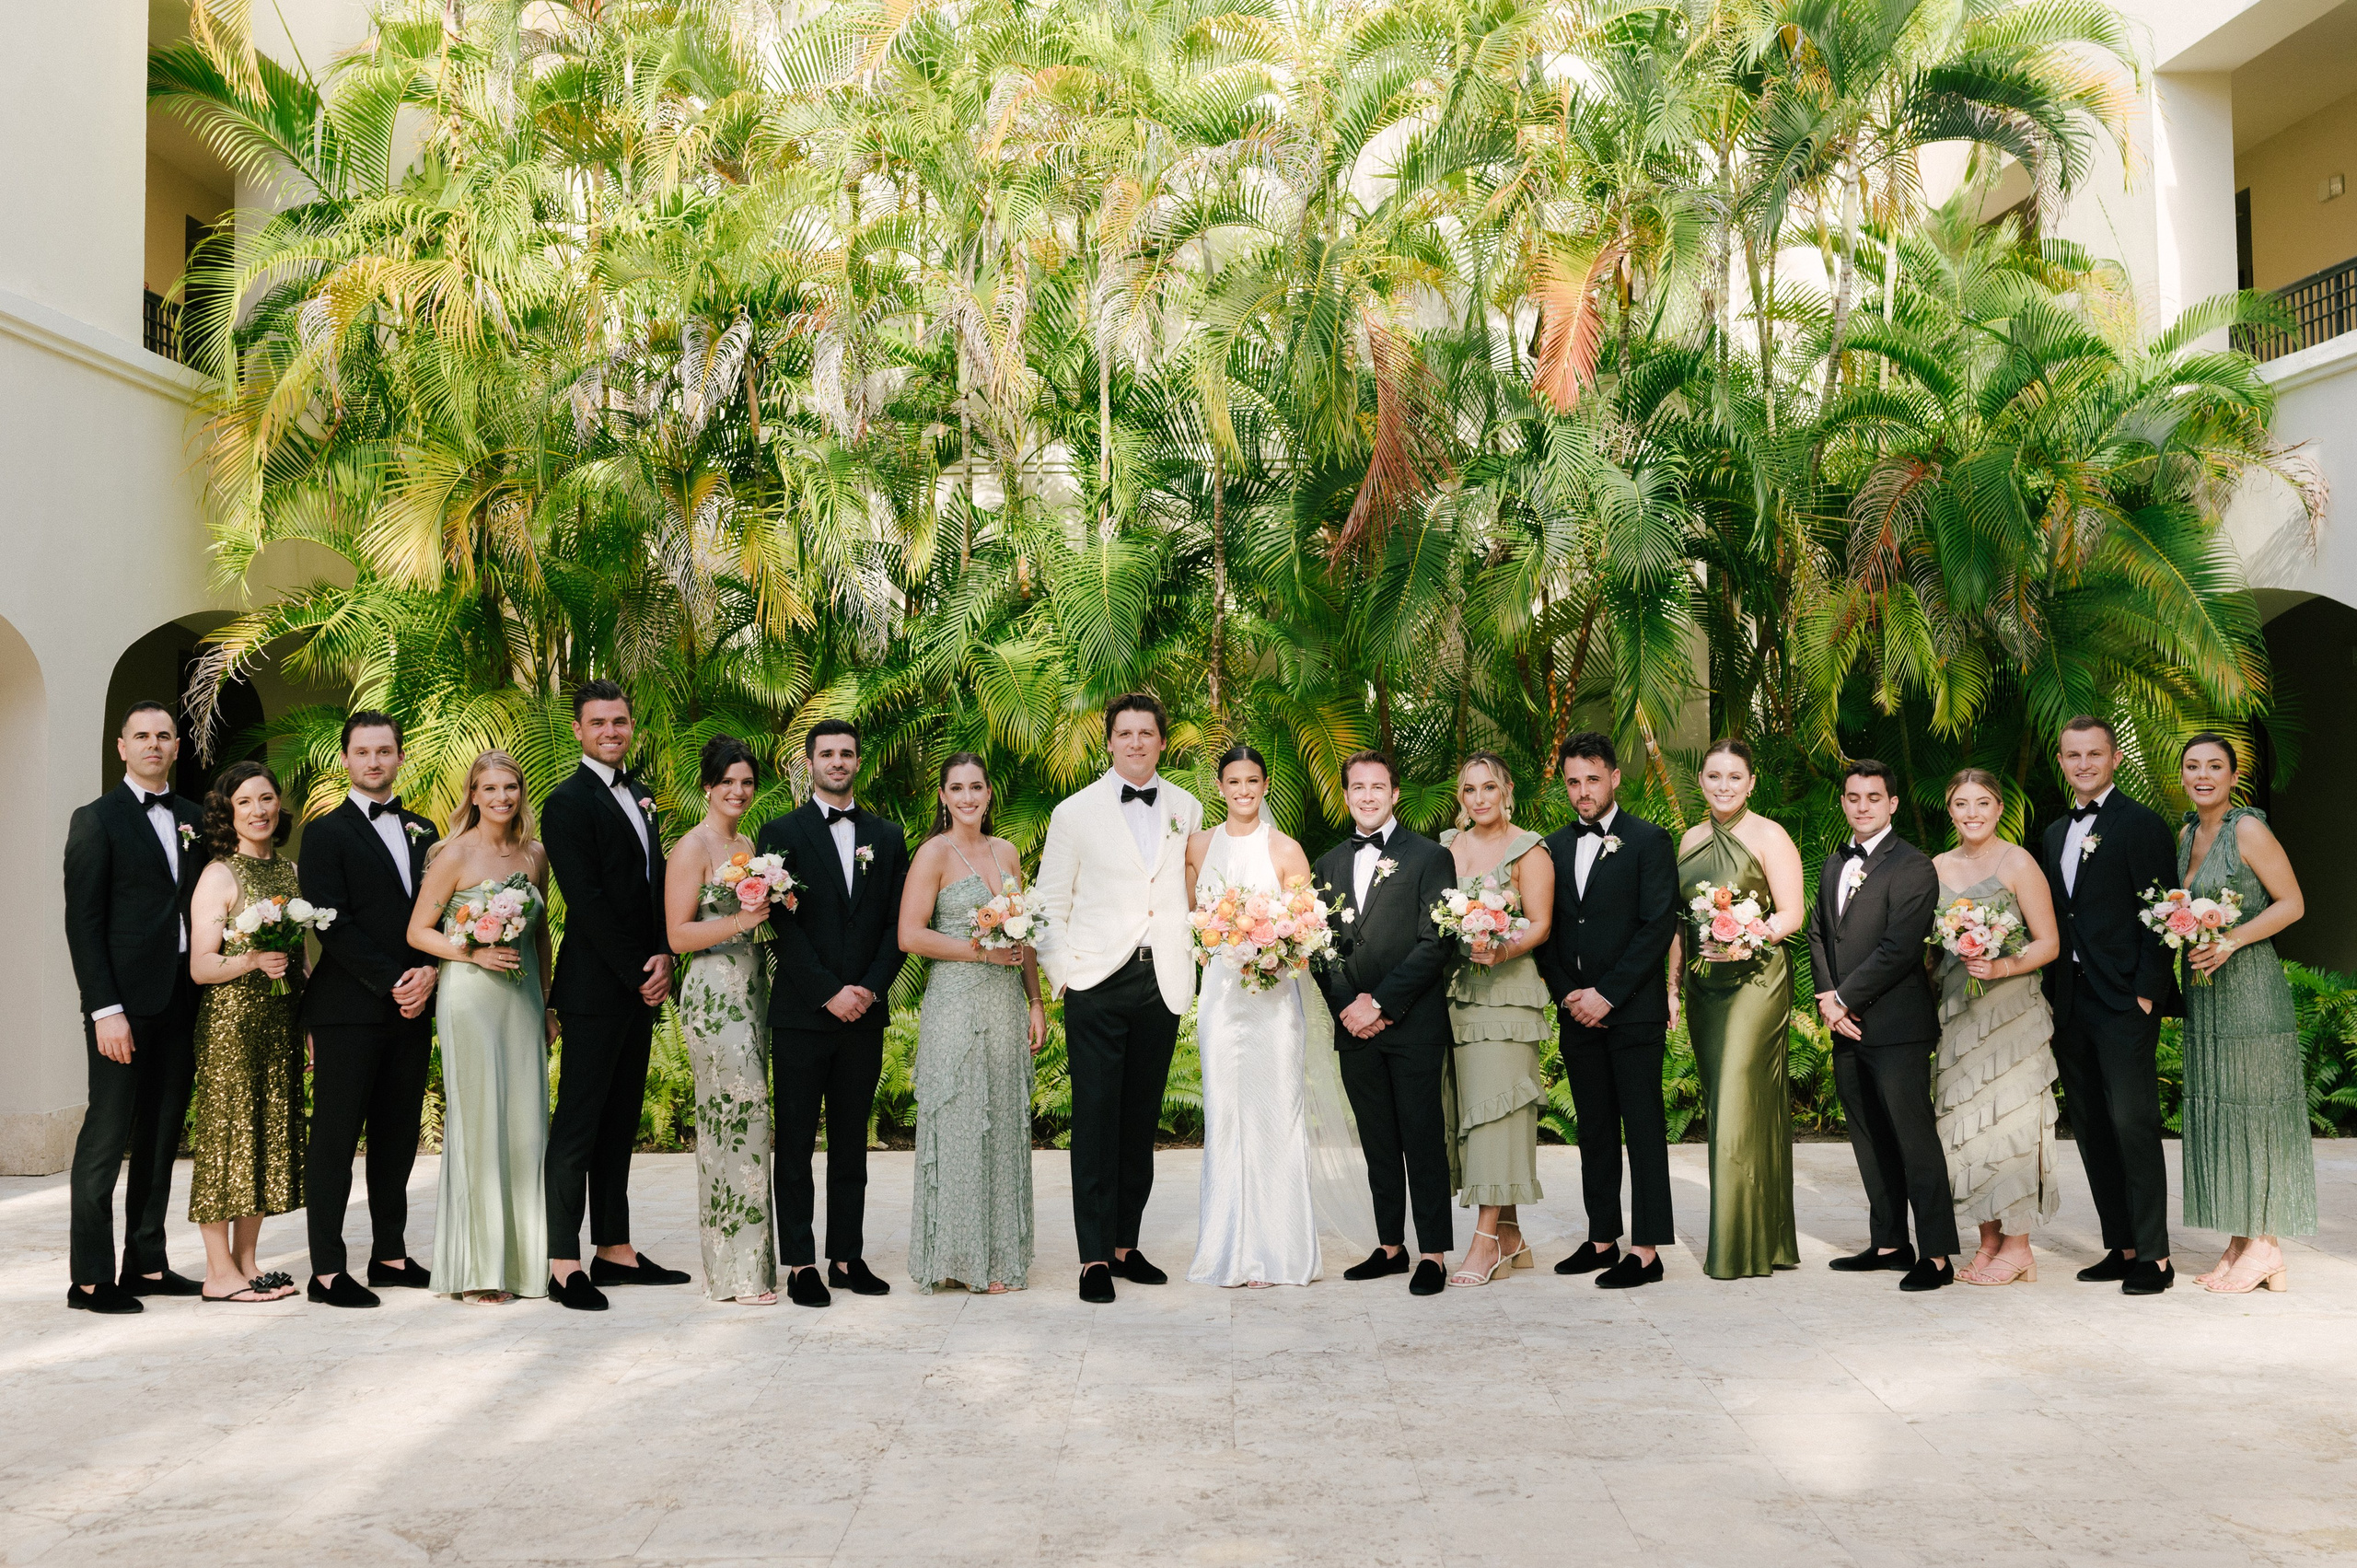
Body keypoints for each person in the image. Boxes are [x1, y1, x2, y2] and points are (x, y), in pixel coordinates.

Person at [1033, 693, 1203, 1304]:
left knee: (1139, 1121)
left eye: (1146, 733)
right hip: (1097, 982)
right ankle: (1093, 1256)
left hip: (1161, 981)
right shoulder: (1073, 812)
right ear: (1109, 742)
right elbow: (1048, 904)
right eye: (1124, 733)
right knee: (1096, 1120)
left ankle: (1126, 1245)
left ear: (1162, 742)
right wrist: (1065, 976)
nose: (1135, 742)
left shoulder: (1187, 807)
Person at [1183, 744, 1371, 1288]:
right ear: (1220, 787)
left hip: (1274, 1003)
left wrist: (1273, 950)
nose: (1243, 790)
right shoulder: (1198, 847)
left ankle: (1279, 1252)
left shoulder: (1287, 850)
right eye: (1233, 781)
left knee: (1276, 1118)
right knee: (1225, 1118)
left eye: (1252, 781)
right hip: (1222, 1002)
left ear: (1265, 786)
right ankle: (1228, 1250)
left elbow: (1308, 935)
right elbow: (1194, 920)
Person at [541, 680, 687, 1310]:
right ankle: (562, 1262)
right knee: (578, 1126)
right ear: (578, 730)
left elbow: (655, 884)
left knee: (621, 1121)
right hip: (596, 988)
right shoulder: (565, 803)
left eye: (619, 721)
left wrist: (665, 953)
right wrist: (637, 969)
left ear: (631, 726)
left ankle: (615, 1249)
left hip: (640, 983)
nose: (610, 731)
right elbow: (587, 900)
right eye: (598, 722)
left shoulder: (643, 794)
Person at [759, 718, 911, 1307]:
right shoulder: (780, 832)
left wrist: (868, 989)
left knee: (852, 1142)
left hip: (864, 1014)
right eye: (827, 754)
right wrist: (828, 991)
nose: (838, 762)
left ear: (858, 761)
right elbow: (779, 922)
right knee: (795, 1144)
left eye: (847, 753)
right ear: (810, 762)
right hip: (803, 1013)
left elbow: (897, 922)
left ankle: (847, 1256)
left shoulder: (887, 835)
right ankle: (801, 1263)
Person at [62, 701, 208, 1313]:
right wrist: (105, 1009)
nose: (153, 744)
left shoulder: (196, 817)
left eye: (164, 735)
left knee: (161, 1135)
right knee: (107, 1135)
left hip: (183, 998)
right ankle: (91, 1279)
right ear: (122, 747)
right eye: (142, 735)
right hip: (122, 1007)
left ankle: (147, 1263)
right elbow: (83, 923)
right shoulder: (96, 819)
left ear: (176, 746)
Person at [299, 712, 441, 1308]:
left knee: (397, 1134)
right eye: (363, 752)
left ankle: (390, 1254)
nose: (374, 761)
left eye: (385, 750)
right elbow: (331, 922)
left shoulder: (425, 830)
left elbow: (442, 910)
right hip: (347, 1009)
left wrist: (429, 972)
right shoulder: (324, 834)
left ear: (401, 756)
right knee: (335, 1138)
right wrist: (395, 980)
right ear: (346, 759)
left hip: (413, 1008)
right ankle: (327, 1270)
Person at [406, 750, 554, 1303]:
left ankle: (525, 1266)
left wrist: (548, 1004)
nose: (501, 798)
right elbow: (419, 931)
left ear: (521, 793)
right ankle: (479, 1270)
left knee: (527, 1127)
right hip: (470, 997)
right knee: (480, 1124)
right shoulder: (454, 854)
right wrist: (472, 953)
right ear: (472, 795)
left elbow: (540, 936)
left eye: (509, 787)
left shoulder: (535, 854)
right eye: (489, 788)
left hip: (524, 1000)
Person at [2040, 715, 2180, 1296]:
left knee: (2132, 1122)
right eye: (2073, 755)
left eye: (2094, 754)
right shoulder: (2054, 832)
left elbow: (2164, 911)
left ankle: (2155, 1256)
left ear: (2114, 757)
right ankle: (2121, 1247)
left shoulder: (2141, 824)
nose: (2083, 764)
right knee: (2092, 1125)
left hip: (2124, 999)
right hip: (2069, 999)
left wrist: (2147, 991)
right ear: (2062, 761)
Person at [1310, 750, 1458, 1297]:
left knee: (1422, 1138)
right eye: (1358, 787)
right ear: (1346, 794)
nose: (1367, 796)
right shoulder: (1326, 864)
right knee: (1376, 1141)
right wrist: (1349, 1008)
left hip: (1412, 1023)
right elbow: (1317, 945)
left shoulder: (1429, 857)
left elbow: (1437, 941)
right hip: (1354, 1027)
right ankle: (1390, 1247)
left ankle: (1433, 1254)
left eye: (1378, 787)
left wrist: (1380, 1003)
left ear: (1395, 794)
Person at [1535, 732, 1679, 1290]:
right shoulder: (1552, 847)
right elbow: (1546, 929)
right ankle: (1602, 1239)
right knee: (1593, 1130)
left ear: (1615, 778)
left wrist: (1608, 995)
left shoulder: (1649, 840)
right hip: (1577, 1011)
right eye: (1574, 781)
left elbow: (1657, 926)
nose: (1583, 791)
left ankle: (1647, 1251)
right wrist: (1569, 993)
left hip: (1632, 1012)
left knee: (1642, 1129)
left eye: (1593, 779)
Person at [897, 753, 1045, 1294]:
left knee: (1002, 1123)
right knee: (959, 1124)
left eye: (975, 787)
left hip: (1005, 1004)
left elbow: (1024, 932)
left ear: (988, 793)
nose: (966, 797)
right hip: (956, 1005)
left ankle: (1000, 1256)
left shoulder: (1007, 852)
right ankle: (958, 1257)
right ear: (943, 795)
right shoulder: (933, 854)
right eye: (956, 788)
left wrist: (1035, 1001)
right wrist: (980, 952)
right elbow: (910, 935)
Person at [1807, 760, 1956, 1292]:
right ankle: (1890, 1243)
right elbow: (1818, 933)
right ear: (1843, 802)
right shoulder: (1834, 862)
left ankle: (1937, 1255)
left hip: (1896, 1026)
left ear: (1892, 804)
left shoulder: (1913, 866)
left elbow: (1899, 948)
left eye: (1874, 797)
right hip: (1845, 1025)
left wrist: (1843, 999)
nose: (1862, 806)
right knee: (1869, 1137)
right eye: (1853, 797)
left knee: (1914, 1141)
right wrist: (1829, 999)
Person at [2175, 733, 2314, 1294]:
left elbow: (2293, 903)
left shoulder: (2248, 830)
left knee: (2255, 1108)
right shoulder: (2186, 833)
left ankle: (2266, 1245)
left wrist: (2231, 941)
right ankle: (2240, 1240)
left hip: (2249, 986)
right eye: (2192, 766)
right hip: (2205, 991)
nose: (2203, 775)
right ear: (2182, 776)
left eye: (2215, 766)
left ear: (2234, 777)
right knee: (2223, 1106)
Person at [1668, 738, 1805, 1279]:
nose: (1723, 786)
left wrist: (1749, 935)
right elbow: (1680, 923)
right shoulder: (1689, 839)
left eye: (1734, 777)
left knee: (1734, 1099)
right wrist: (1672, 986)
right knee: (1734, 1105)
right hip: (1705, 988)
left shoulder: (1771, 835)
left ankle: (1735, 1248)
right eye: (1713, 776)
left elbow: (1792, 913)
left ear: (1751, 783)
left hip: (1756, 983)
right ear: (1701, 781)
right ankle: (1768, 1239)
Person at [1930, 769, 2061, 1287]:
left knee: (2012, 1124)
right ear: (1950, 810)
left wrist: (2001, 965)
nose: (1972, 813)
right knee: (1966, 1124)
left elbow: (2048, 942)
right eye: (1962, 804)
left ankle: (2020, 1246)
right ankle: (1988, 1241)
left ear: (1999, 808)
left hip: (2012, 1015)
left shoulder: (2018, 862)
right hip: (1960, 1013)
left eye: (1982, 803)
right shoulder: (1937, 866)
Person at [184, 761, 306, 1303]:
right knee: (226, 1140)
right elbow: (201, 965)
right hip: (231, 1026)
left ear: (279, 805)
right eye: (245, 802)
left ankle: (246, 1263)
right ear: (227, 814)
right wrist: (253, 959)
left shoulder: (291, 872)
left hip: (280, 1024)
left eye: (266, 799)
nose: (258, 811)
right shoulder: (219, 875)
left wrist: (306, 1019)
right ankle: (218, 1272)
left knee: (263, 1137)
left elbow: (300, 958)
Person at [664, 736, 780, 1306]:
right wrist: (741, 922)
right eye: (728, 782)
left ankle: (749, 1266)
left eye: (747, 782)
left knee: (751, 1122)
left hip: (752, 990)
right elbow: (678, 935)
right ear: (708, 787)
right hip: (714, 995)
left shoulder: (748, 844)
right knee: (732, 1121)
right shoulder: (693, 847)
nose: (738, 791)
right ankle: (735, 1274)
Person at [1437, 754, 1554, 1288]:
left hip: (1506, 999)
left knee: (1496, 1113)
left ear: (1507, 790)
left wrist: (1500, 949)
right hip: (1455, 993)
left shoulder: (1529, 850)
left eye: (1489, 787)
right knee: (1468, 1111)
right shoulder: (1446, 848)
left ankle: (1483, 1242)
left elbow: (1541, 924)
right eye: (1470, 789)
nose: (1479, 798)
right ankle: (1510, 1237)